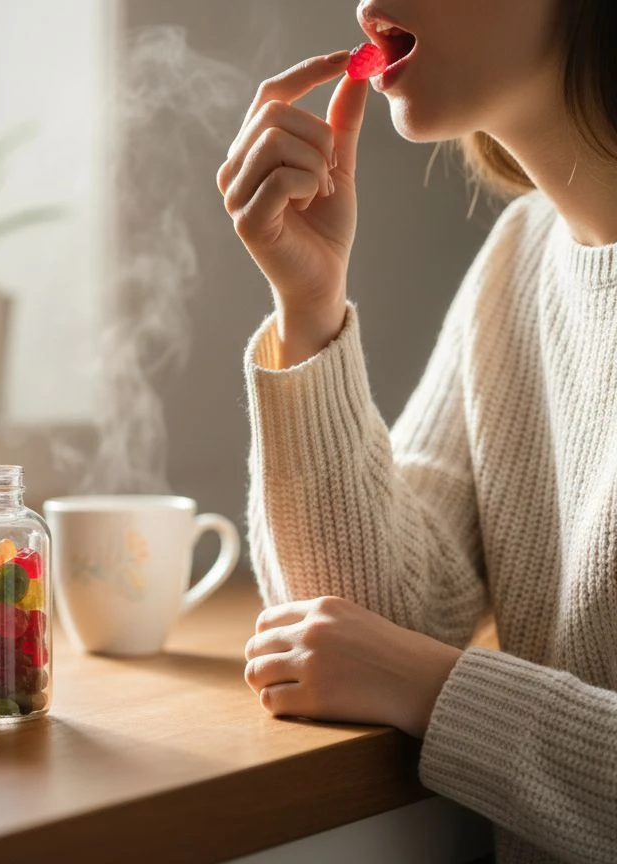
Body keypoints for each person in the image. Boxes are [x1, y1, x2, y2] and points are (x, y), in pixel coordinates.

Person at [217, 0, 617, 861]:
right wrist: (310, 309)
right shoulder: (521, 259)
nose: (366, 4)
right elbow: (353, 627)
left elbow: (394, 660)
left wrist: (435, 689)